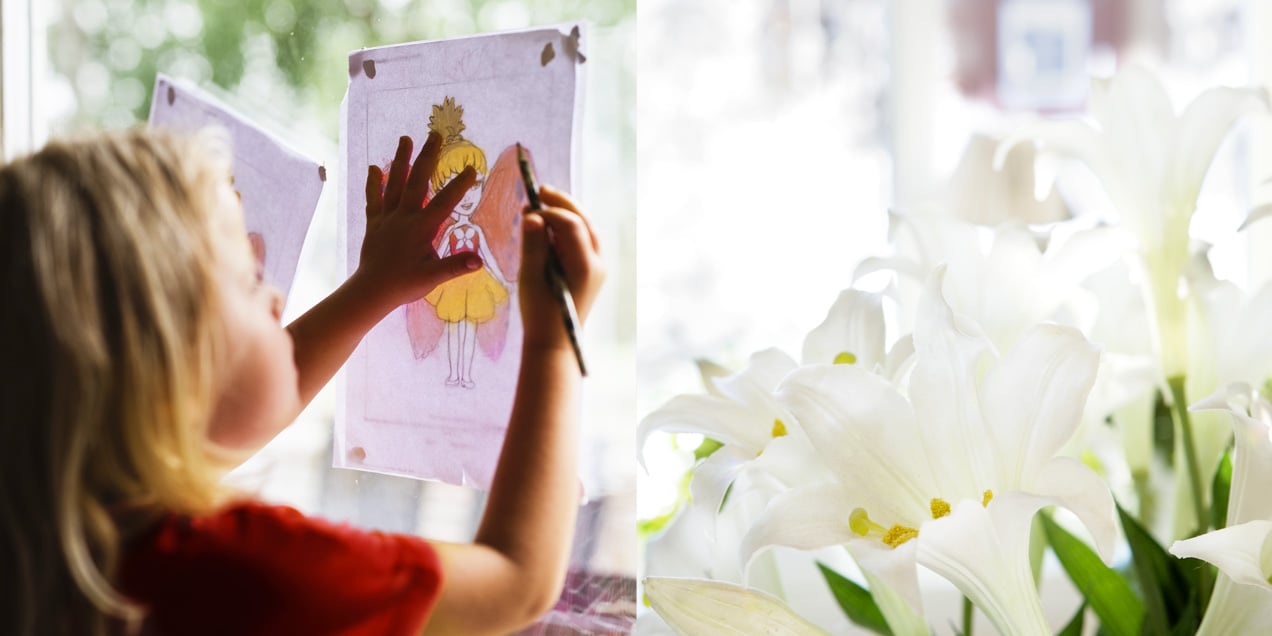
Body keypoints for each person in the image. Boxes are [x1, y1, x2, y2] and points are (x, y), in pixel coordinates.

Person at [0, 127, 604, 636]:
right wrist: (555, 337)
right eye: (248, 278)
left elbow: (233, 406)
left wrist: (373, 287)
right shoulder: (251, 574)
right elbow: (514, 580)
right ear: (162, 370)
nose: (276, 297)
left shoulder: (56, 535)